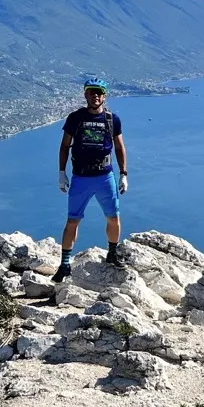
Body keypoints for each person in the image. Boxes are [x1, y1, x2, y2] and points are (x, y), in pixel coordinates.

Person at [52, 77, 128, 283]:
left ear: (104, 96)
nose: (95, 96)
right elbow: (64, 145)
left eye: (99, 92)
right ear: (85, 95)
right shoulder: (75, 118)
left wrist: (123, 174)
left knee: (113, 218)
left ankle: (112, 254)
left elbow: (119, 147)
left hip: (105, 176)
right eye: (91, 92)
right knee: (72, 221)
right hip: (81, 177)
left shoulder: (113, 119)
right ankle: (65, 264)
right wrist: (61, 172)